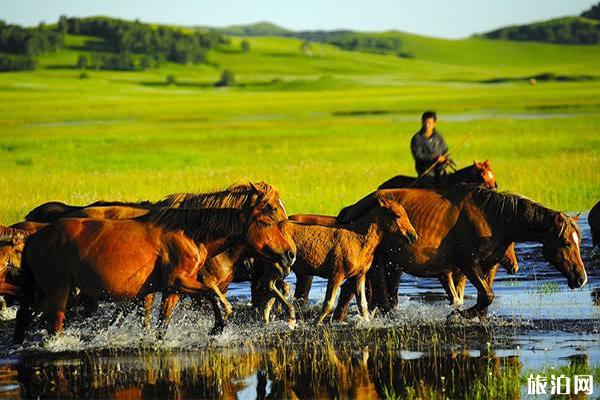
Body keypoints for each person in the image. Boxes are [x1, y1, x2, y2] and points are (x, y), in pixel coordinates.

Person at [410, 111, 453, 186]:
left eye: (430, 122)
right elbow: (418, 156)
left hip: (440, 169)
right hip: (426, 171)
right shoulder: (417, 138)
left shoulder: (439, 137)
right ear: (422, 122)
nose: (427, 125)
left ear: (434, 123)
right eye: (425, 122)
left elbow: (445, 151)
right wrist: (434, 158)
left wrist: (445, 159)